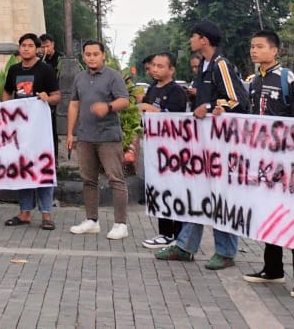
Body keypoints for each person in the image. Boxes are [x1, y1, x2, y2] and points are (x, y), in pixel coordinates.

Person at [155, 19, 247, 270]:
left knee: (220, 196)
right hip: (204, 143)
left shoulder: (221, 65)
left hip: (222, 143)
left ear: (204, 40)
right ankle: (185, 246)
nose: (190, 41)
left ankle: (226, 251)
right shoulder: (204, 67)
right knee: (197, 192)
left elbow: (238, 100)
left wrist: (207, 107)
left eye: (193, 36)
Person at [240, 30, 294, 298]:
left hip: (289, 162)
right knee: (268, 214)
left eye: (259, 46)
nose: (254, 51)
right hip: (263, 162)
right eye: (252, 46)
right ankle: (272, 269)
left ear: (275, 51)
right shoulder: (253, 82)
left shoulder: (286, 77)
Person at [67, 39, 130, 240]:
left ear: (103, 55)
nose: (91, 58)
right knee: (88, 180)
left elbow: (125, 101)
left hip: (108, 137)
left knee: (116, 179)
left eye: (95, 54)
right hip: (85, 136)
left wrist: (108, 107)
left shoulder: (113, 76)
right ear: (83, 56)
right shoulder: (79, 78)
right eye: (88, 54)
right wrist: (70, 133)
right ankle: (91, 220)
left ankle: (120, 224)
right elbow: (74, 105)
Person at [2, 32, 61, 230]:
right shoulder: (13, 70)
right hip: (20, 130)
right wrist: (6, 108)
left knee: (42, 167)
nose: (26, 48)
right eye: (23, 45)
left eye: (30, 45)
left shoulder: (45, 70)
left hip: (41, 130)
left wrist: (47, 97)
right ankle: (24, 212)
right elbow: (7, 91)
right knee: (22, 167)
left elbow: (57, 96)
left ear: (37, 49)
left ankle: (46, 214)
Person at [138, 52, 188, 249]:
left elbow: (175, 118)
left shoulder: (176, 91)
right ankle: (164, 232)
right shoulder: (151, 88)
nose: (155, 69)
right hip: (154, 149)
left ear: (171, 69)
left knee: (173, 190)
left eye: (160, 66)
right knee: (159, 189)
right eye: (154, 66)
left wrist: (152, 109)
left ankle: (176, 233)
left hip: (173, 151)